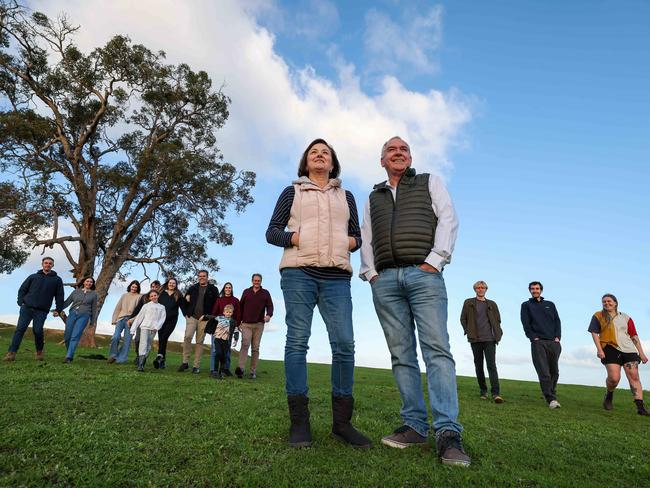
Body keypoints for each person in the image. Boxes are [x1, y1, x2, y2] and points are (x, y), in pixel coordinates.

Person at [359, 136, 469, 466]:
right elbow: (367, 236)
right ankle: (414, 426)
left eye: (403, 149)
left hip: (425, 276)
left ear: (410, 157)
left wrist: (434, 261)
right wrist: (372, 273)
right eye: (391, 150)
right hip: (386, 281)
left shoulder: (429, 181)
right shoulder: (372, 197)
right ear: (382, 160)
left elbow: (448, 219)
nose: (398, 153)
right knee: (401, 354)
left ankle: (448, 433)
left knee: (436, 350)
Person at [266, 138, 371, 449]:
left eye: (325, 152)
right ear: (306, 162)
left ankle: (342, 424)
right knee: (297, 342)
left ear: (333, 162)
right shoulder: (292, 191)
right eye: (314, 152)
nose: (320, 155)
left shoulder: (346, 196)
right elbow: (272, 231)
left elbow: (357, 234)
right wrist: (297, 237)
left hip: (337, 277)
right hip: (298, 273)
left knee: (344, 344)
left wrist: (349, 243)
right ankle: (300, 423)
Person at [588, 294, 650, 416]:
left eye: (609, 301)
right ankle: (609, 394)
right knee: (614, 378)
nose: (606, 303)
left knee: (634, 376)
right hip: (609, 348)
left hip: (629, 349)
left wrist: (641, 353)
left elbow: (634, 336)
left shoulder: (626, 317)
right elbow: (594, 333)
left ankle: (640, 407)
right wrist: (599, 349)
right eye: (604, 302)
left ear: (615, 303)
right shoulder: (598, 316)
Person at [4, 256, 64, 362]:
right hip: (27, 308)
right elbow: (22, 289)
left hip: (42, 310)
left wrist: (58, 310)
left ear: (53, 265)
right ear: (42, 264)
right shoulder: (33, 277)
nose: (48, 265)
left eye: (50, 263)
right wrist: (20, 301)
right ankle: (11, 353)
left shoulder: (57, 280)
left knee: (37, 331)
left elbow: (59, 296)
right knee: (20, 329)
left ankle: (39, 351)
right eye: (46, 263)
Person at [460, 280, 504, 402]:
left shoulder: (492, 304)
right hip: (475, 339)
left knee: (491, 366)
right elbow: (463, 318)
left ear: (486, 289)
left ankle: (496, 394)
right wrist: (468, 331)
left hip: (490, 339)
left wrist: (498, 333)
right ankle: (483, 391)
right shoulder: (468, 302)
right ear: (475, 289)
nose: (480, 289)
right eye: (478, 288)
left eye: (482, 287)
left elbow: (498, 320)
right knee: (479, 366)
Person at [520, 281, 562, 409]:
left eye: (537, 288)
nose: (535, 290)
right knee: (544, 371)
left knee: (554, 371)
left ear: (541, 290)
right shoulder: (526, 305)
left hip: (553, 342)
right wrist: (533, 338)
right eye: (532, 289)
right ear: (529, 290)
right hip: (538, 342)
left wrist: (557, 337)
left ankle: (551, 393)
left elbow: (557, 321)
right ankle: (551, 399)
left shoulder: (550, 304)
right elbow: (526, 323)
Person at [179, 270, 219, 374]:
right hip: (192, 317)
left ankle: (196, 366)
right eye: (200, 276)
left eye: (204, 276)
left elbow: (216, 304)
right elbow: (184, 300)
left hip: (204, 319)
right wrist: (186, 314)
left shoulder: (213, 289)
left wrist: (209, 317)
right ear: (198, 277)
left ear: (207, 277)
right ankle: (185, 362)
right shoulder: (193, 288)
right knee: (187, 337)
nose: (201, 277)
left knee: (199, 341)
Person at [235, 273, 273, 380]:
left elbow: (270, 306)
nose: (257, 282)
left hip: (259, 325)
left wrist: (268, 315)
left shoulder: (265, 293)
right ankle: (241, 369)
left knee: (255, 348)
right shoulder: (246, 292)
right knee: (245, 344)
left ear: (261, 281)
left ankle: (252, 371)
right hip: (246, 324)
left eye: (258, 280)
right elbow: (240, 307)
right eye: (255, 280)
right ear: (252, 281)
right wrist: (239, 322)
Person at [58, 277, 98, 363]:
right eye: (87, 281)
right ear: (83, 282)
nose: (89, 283)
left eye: (91, 282)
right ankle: (70, 352)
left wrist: (92, 321)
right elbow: (67, 302)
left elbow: (94, 309)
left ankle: (68, 356)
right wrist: (58, 310)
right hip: (72, 314)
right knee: (67, 336)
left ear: (92, 284)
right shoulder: (76, 291)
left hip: (84, 315)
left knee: (75, 336)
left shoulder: (94, 295)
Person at [130, 289, 166, 372]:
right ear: (149, 298)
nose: (153, 297)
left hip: (153, 329)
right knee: (143, 344)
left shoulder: (162, 307)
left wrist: (157, 327)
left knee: (148, 346)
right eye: (151, 296)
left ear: (158, 296)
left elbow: (162, 319)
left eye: (155, 295)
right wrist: (133, 329)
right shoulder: (146, 306)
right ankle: (141, 365)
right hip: (144, 327)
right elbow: (139, 317)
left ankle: (143, 358)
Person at [154, 278, 186, 369]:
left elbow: (183, 307)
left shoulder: (178, 295)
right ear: (167, 283)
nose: (172, 284)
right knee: (161, 339)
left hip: (172, 320)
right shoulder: (161, 293)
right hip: (160, 320)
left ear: (176, 285)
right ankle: (162, 361)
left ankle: (159, 357)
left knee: (164, 337)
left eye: (174, 283)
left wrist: (187, 317)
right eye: (170, 283)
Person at [210, 282, 241, 377]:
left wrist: (237, 325)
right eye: (226, 287)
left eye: (229, 288)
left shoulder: (235, 300)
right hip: (219, 328)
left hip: (230, 328)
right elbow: (214, 313)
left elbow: (238, 314)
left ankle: (225, 369)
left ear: (231, 289)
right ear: (224, 289)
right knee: (215, 349)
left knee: (227, 350)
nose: (228, 289)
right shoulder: (219, 300)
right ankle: (213, 369)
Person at [108, 280, 142, 364]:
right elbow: (118, 307)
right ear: (130, 286)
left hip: (131, 320)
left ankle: (121, 359)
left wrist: (133, 320)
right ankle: (113, 355)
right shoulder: (124, 295)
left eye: (135, 287)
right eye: (132, 286)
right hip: (121, 319)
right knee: (115, 337)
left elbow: (139, 310)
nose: (134, 288)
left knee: (127, 340)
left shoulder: (139, 296)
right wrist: (114, 319)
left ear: (138, 288)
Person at [128, 280, 161, 362]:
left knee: (147, 342)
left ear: (159, 288)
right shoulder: (144, 297)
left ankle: (143, 358)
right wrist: (131, 319)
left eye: (156, 287)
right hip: (142, 323)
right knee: (138, 339)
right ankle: (138, 355)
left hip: (153, 325)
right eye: (152, 287)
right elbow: (137, 309)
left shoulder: (160, 298)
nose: (154, 288)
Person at [208, 304, 236, 379]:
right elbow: (212, 317)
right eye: (227, 312)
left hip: (226, 340)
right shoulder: (219, 318)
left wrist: (235, 339)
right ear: (223, 312)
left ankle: (221, 372)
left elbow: (236, 330)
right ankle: (215, 371)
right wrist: (204, 316)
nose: (228, 313)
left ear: (232, 313)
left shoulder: (233, 321)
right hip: (217, 339)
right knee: (218, 353)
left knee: (224, 356)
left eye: (230, 312)